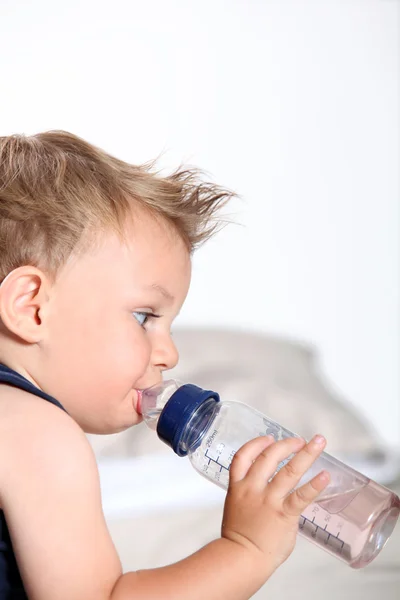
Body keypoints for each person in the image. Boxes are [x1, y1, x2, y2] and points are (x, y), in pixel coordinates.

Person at [0, 131, 329, 600]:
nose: (169, 353)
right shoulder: (40, 435)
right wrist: (248, 547)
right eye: (144, 317)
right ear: (32, 308)